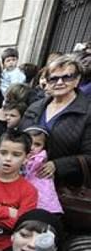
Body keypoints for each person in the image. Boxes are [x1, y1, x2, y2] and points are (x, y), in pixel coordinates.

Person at [19, 55, 91, 188]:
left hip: (62, 187)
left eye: (67, 77)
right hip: (25, 182)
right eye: (53, 78)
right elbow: (20, 138)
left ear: (77, 80)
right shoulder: (35, 107)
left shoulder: (87, 112)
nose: (59, 82)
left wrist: (57, 165)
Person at [22, 126, 63, 214]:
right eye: (29, 143)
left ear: (44, 147)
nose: (32, 147)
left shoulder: (40, 157)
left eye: (37, 144)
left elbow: (28, 169)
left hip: (42, 195)